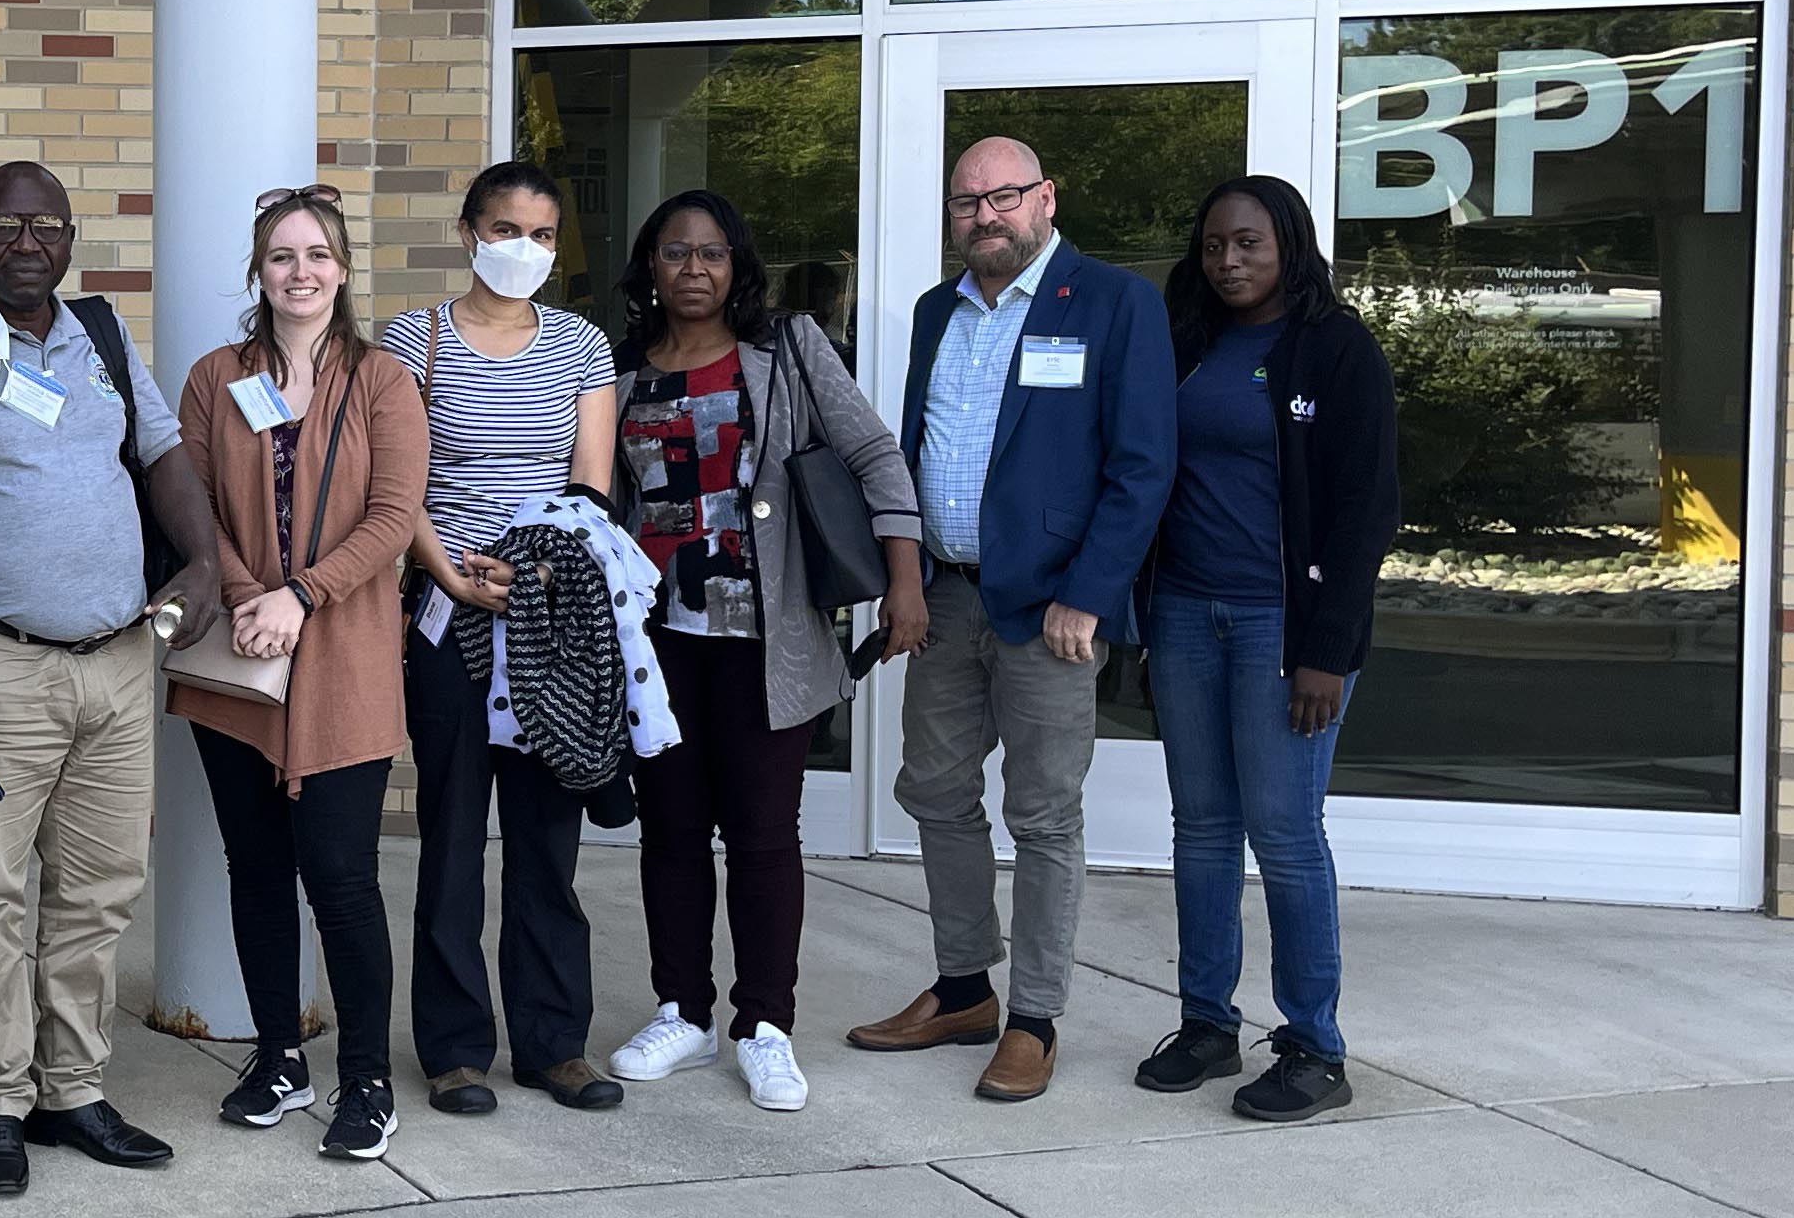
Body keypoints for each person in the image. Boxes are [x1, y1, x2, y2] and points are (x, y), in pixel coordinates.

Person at [0, 160, 223, 1196]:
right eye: (5, 225)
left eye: (47, 225)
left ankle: (73, 1088)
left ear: (70, 240)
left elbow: (162, 458)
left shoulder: (100, 343)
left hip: (116, 661)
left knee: (100, 891)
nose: (27, 241)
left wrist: (202, 562)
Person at [849, 136, 1174, 1102]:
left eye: (1003, 197)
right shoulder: (932, 313)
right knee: (936, 794)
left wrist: (1091, 592)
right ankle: (962, 990)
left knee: (1042, 816)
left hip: (1049, 612)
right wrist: (900, 579)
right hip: (944, 596)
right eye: (965, 202)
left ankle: (1032, 1016)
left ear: (1046, 197)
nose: (984, 216)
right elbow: (908, 453)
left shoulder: (1114, 303)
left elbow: (1142, 465)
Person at [599, 192, 930, 1111]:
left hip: (766, 638)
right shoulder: (619, 365)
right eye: (675, 253)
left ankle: (765, 1023)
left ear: (739, 266)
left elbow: (874, 454)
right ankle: (683, 1012)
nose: (695, 269)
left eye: (713, 253)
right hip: (657, 640)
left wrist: (904, 580)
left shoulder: (787, 350)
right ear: (650, 267)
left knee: (760, 834)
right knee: (669, 834)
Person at [168, 187, 426, 1162]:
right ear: (258, 273)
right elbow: (192, 506)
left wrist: (301, 597)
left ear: (344, 269)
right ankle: (279, 1055)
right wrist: (247, 597)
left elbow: (394, 514)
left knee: (341, 877)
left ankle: (366, 1076)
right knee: (258, 869)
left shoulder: (383, 382)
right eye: (282, 256)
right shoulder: (214, 379)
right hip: (238, 662)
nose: (301, 272)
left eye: (318, 254)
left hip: (346, 658)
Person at [1134, 175, 1399, 1121]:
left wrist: (1328, 650)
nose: (1229, 261)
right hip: (1186, 618)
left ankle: (1314, 1048)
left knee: (1286, 837)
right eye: (1214, 246)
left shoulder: (1335, 350)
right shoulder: (1189, 344)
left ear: (1288, 243)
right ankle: (1207, 1024)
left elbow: (1367, 512)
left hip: (1282, 632)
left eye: (1248, 243)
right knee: (1201, 831)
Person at [380, 160, 625, 1116]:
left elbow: (591, 488)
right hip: (448, 618)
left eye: (542, 235)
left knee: (545, 838)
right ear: (468, 231)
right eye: (504, 229)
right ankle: (453, 1049)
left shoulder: (581, 347)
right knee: (450, 840)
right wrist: (445, 570)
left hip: (550, 614)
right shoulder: (414, 341)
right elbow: (395, 486)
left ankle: (555, 1042)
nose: (522, 250)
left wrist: (536, 574)